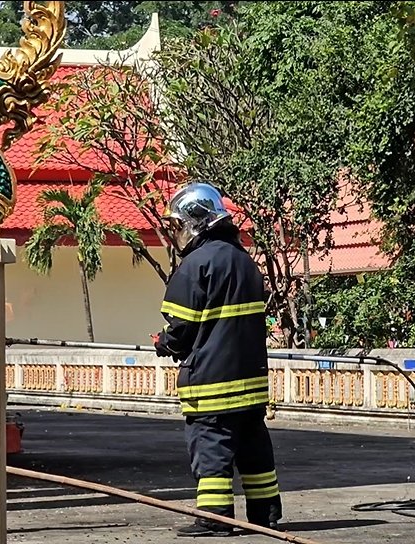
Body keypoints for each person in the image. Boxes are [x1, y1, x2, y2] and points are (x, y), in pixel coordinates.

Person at [153, 182, 282, 537]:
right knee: (254, 449)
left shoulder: (195, 265)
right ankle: (266, 515)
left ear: (194, 221)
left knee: (211, 449)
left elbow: (182, 329)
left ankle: (215, 517)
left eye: (177, 224)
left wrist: (165, 343)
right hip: (252, 383)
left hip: (211, 383)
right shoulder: (245, 262)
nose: (175, 233)